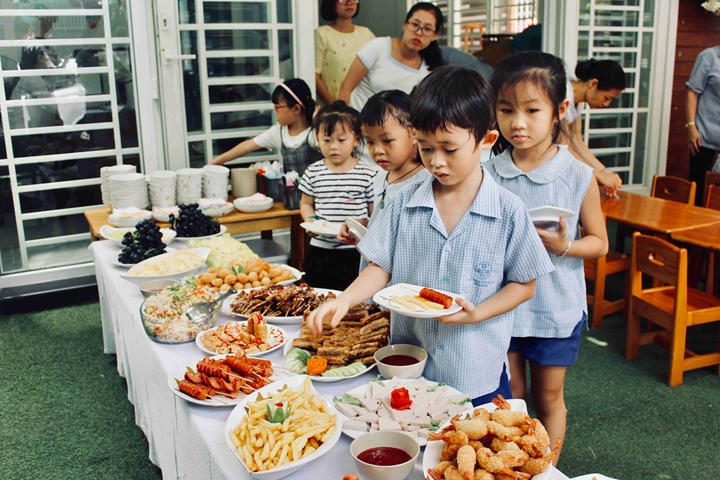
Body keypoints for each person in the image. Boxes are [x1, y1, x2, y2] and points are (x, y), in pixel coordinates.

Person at [307, 66, 555, 406]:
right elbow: (380, 266)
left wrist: (478, 313)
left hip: (474, 367)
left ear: (487, 140)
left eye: (449, 149)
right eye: (425, 148)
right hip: (409, 364)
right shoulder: (402, 202)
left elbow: (525, 284)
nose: (436, 162)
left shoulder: (509, 211)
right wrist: (345, 300)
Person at [487, 52, 609, 464]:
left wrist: (565, 247)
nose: (517, 122)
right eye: (506, 110)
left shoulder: (577, 174)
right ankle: (510, 467)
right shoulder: (488, 170)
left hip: (555, 306)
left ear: (559, 111)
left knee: (548, 396)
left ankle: (545, 470)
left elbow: (600, 242)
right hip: (503, 304)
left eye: (531, 110)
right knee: (510, 394)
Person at [336, 90, 430, 252]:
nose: (378, 150)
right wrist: (360, 226)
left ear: (414, 133)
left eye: (387, 140)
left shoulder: (426, 182)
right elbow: (380, 222)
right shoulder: (379, 178)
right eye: (370, 142)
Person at [299, 101, 376, 290]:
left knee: (352, 305)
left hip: (354, 251)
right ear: (317, 139)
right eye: (327, 140)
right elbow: (306, 203)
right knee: (318, 297)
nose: (334, 147)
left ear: (356, 139)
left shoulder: (367, 174)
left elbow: (374, 214)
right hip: (320, 249)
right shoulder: (313, 171)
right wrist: (311, 220)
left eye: (341, 140)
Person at [337, 2, 444, 114]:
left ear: (434, 35)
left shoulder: (426, 71)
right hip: (355, 122)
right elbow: (346, 89)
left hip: (387, 129)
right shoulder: (378, 46)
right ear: (405, 24)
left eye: (427, 29)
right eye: (415, 24)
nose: (419, 33)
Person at [210, 79, 323, 176]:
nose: (275, 112)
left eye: (278, 107)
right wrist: (221, 159)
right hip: (293, 196)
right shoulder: (279, 132)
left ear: (296, 109)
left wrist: (320, 124)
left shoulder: (317, 133)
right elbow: (249, 145)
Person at [561, 59, 626, 196]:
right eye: (607, 97)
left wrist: (604, 171)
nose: (607, 104)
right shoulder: (562, 95)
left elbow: (577, 141)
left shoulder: (579, 101)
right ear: (593, 83)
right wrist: (599, 176)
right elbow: (564, 148)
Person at [315, 0, 375, 106]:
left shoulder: (366, 34)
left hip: (363, 108)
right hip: (332, 110)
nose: (349, 2)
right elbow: (315, 76)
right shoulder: (322, 34)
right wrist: (334, 105)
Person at [686, 44, 720, 205]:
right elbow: (692, 92)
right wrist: (691, 127)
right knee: (699, 190)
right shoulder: (708, 56)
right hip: (705, 135)